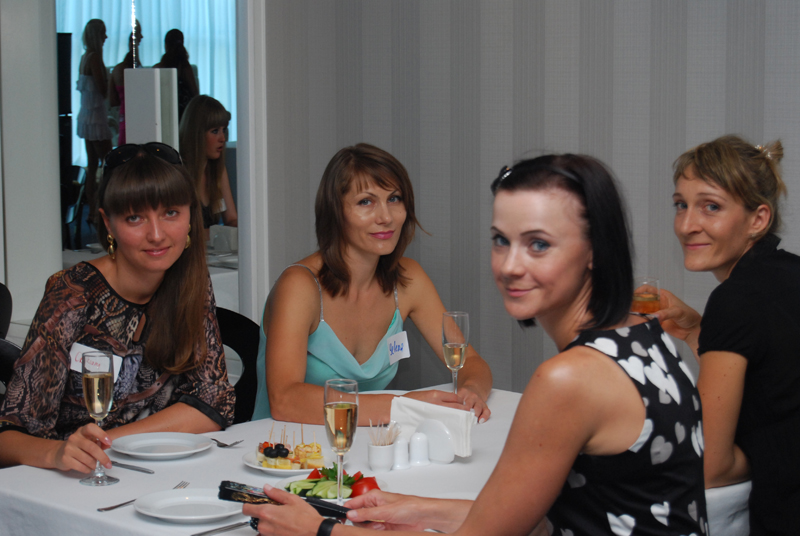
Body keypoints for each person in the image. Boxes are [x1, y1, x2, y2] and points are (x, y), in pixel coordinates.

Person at [243, 154, 707, 535]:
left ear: (594, 250)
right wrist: (414, 507)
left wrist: (322, 530)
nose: (510, 265)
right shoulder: (648, 339)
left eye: (539, 244)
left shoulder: (568, 380)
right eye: (501, 240)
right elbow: (550, 515)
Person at [0, 143, 235, 473]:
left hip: (154, 471)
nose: (156, 235)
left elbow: (213, 402)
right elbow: (9, 436)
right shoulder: (73, 293)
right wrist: (56, 453)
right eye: (135, 217)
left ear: (190, 216)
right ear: (108, 224)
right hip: (71, 478)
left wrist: (109, 442)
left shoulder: (190, 282)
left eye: (171, 213)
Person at [251, 143, 493, 425]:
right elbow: (285, 401)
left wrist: (471, 391)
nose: (386, 217)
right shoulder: (299, 286)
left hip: (366, 443)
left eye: (394, 199)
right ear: (335, 212)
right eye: (366, 202)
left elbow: (470, 362)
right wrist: (402, 407)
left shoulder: (408, 280)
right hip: (283, 446)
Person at [654, 135, 797, 535]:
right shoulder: (788, 272)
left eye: (711, 207)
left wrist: (767, 454)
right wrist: (696, 331)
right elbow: (774, 388)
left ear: (758, 219)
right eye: (681, 205)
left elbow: (710, 466)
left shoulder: (735, 299)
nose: (687, 225)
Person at [179, 95, 238, 234]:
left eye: (224, 130)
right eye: (215, 131)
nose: (222, 138)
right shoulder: (179, 172)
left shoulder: (218, 170)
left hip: (214, 247)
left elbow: (231, 219)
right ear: (197, 134)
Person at [75, 19, 113, 223]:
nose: (106, 37)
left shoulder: (84, 57)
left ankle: (92, 211)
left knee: (91, 165)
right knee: (110, 163)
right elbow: (102, 88)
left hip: (86, 116)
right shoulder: (95, 58)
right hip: (96, 116)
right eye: (103, 33)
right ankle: (104, 207)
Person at [153, 29, 199, 121]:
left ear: (166, 45)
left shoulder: (158, 68)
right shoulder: (185, 67)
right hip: (184, 117)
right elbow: (195, 93)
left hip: (163, 113)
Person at [109, 22, 143, 146]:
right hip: (137, 117)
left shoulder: (117, 70)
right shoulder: (137, 71)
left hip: (125, 117)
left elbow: (112, 100)